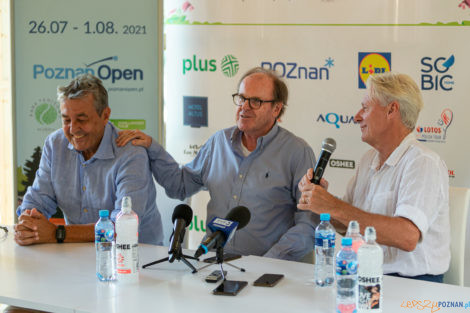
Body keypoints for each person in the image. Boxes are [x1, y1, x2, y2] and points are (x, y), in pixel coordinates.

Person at [117, 67, 319, 261]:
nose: (244, 107)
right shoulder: (218, 143)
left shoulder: (297, 152)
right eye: (241, 98)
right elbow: (179, 186)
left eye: (255, 101)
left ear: (276, 108)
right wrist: (152, 147)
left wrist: (269, 262)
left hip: (270, 273)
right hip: (215, 262)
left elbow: (308, 224)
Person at [297, 72, 450, 282]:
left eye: (365, 108)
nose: (357, 116)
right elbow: (346, 223)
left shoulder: (422, 162)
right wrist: (320, 202)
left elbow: (407, 236)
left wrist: (332, 205)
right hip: (365, 277)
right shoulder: (368, 160)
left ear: (391, 110)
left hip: (413, 285)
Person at [14, 74, 163, 246]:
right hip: (75, 254)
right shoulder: (55, 144)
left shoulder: (131, 153)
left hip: (135, 257)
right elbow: (38, 199)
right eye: (66, 120)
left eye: (82, 120)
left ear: (105, 115)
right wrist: (29, 223)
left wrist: (58, 233)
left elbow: (123, 226)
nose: (73, 129)